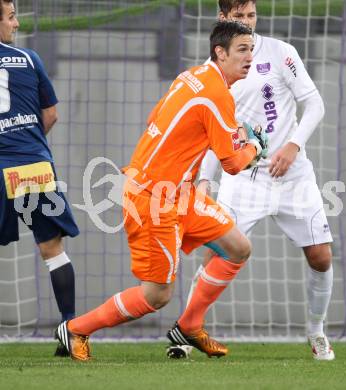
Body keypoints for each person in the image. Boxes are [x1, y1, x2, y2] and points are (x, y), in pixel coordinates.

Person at [55, 20, 268, 361]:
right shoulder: (216, 94)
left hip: (177, 192)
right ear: (220, 52)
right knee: (157, 295)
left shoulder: (192, 76)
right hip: (152, 198)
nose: (249, 58)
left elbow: (158, 118)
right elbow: (233, 163)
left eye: (251, 50)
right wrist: (255, 147)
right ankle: (76, 328)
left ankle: (189, 325)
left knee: (237, 247)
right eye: (242, 50)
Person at [168, 0, 335, 361]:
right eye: (239, 17)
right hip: (243, 178)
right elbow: (216, 136)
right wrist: (203, 181)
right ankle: (186, 329)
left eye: (251, 15)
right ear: (222, 18)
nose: (248, 23)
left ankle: (317, 332)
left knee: (321, 257)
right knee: (218, 253)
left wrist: (292, 145)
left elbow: (315, 104)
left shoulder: (280, 52)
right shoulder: (213, 72)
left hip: (293, 175)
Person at [0, 0, 79, 356]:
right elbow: (50, 114)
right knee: (52, 249)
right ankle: (70, 329)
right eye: (12, 16)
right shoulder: (30, 60)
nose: (16, 24)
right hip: (30, 163)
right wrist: (26, 142)